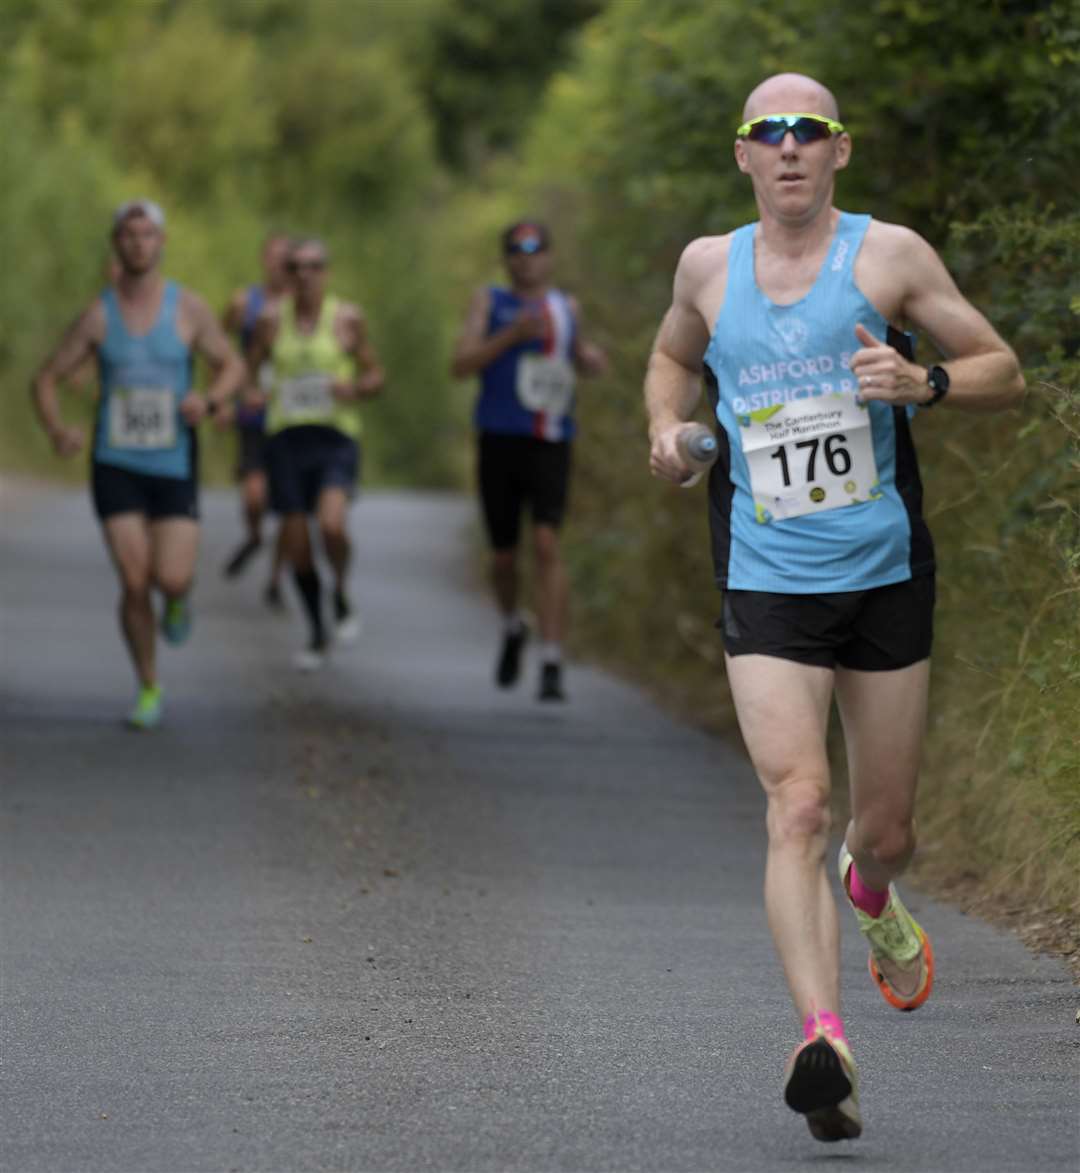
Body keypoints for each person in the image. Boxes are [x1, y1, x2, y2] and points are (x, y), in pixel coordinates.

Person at [644, 73, 1024, 1142]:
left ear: (839, 152)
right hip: (766, 577)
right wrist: (666, 434)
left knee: (882, 827)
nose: (791, 148)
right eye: (770, 134)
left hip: (885, 570)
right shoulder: (708, 268)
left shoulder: (891, 257)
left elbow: (1004, 366)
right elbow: (670, 362)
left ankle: (872, 893)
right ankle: (824, 1042)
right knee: (796, 805)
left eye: (810, 131)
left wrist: (929, 387)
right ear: (744, 158)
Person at [31, 199, 245, 728]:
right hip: (116, 461)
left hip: (173, 463)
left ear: (162, 243)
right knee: (133, 580)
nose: (138, 244)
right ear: (116, 244)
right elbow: (45, 378)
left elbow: (232, 364)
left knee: (169, 578)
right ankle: (148, 685)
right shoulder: (98, 315)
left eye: (148, 235)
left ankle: (177, 601)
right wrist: (58, 430)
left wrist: (212, 401)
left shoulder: (188, 309)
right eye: (128, 235)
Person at [450, 221, 608, 702]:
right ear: (506, 260)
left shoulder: (567, 308)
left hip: (551, 439)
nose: (526, 259)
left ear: (550, 257)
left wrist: (589, 359)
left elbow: (574, 355)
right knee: (502, 556)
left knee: (545, 542)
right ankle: (511, 624)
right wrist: (511, 336)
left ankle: (552, 660)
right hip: (499, 437)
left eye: (535, 250)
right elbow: (460, 365)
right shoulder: (489, 302)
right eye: (516, 251)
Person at [247, 237, 385, 670]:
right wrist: (250, 394)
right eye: (296, 267)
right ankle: (316, 630)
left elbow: (375, 373)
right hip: (286, 439)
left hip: (334, 436)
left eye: (313, 266)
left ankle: (341, 590)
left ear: (326, 272)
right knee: (296, 543)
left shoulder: (346, 319)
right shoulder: (270, 321)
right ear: (286, 274)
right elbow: (249, 370)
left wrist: (356, 388)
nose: (304, 275)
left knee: (331, 524)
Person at [220, 233, 291, 604]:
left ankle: (277, 578)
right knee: (254, 495)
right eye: (273, 257)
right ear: (264, 260)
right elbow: (218, 344)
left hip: (294, 413)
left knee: (291, 505)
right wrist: (222, 397)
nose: (279, 265)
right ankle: (253, 537)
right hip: (254, 408)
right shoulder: (244, 302)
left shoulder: (306, 306)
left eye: (287, 259)